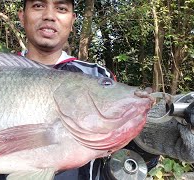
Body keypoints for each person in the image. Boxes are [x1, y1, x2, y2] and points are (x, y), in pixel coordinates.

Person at [15, 0, 194, 179]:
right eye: (38, 6)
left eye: (61, 8)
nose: (49, 15)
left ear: (72, 21)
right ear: (22, 17)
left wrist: (153, 137)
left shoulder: (97, 75)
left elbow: (121, 154)